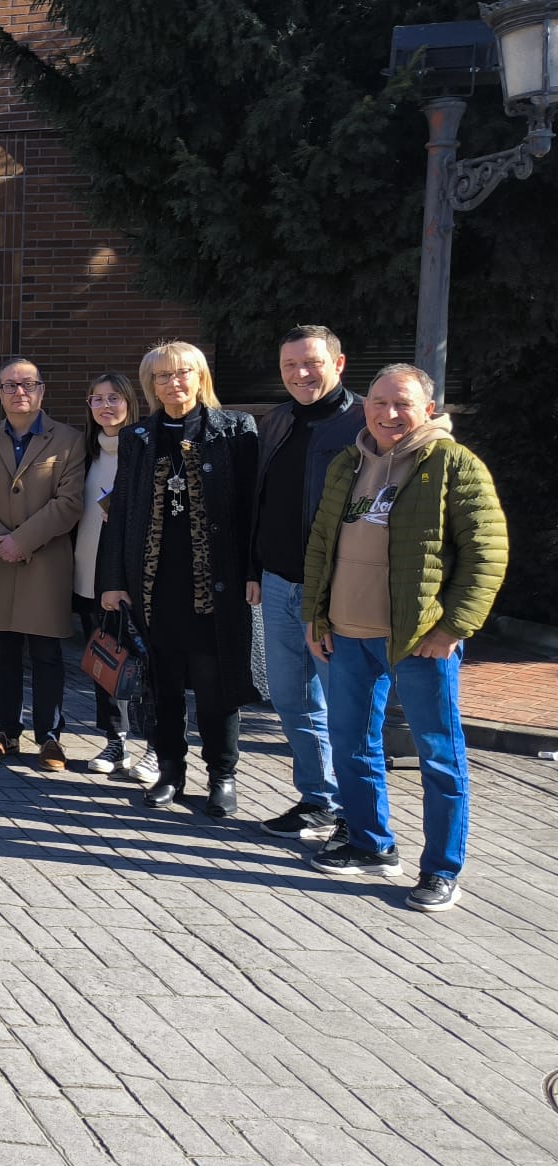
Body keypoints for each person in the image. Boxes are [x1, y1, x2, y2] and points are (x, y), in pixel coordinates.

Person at [302, 365, 507, 911]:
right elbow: (322, 545)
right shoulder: (349, 463)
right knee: (351, 745)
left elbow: (486, 555)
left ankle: (441, 869)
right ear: (364, 405)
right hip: (346, 636)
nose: (388, 414)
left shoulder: (454, 464)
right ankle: (370, 843)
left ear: (428, 408)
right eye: (378, 402)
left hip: (419, 641)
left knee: (439, 758)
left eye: (402, 404)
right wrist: (315, 617)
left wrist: (452, 629)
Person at [99, 342, 258, 817]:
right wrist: (112, 578)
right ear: (150, 385)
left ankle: (222, 776)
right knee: (161, 685)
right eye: (163, 377)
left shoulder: (235, 431)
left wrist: (253, 572)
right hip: (154, 585)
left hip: (214, 584)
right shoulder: (139, 438)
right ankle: (170, 771)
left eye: (183, 373)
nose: (174, 383)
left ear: (201, 376)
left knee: (215, 684)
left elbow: (251, 510)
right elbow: (121, 511)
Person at [251, 325, 365, 841]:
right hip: (277, 583)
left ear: (338, 365)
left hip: (334, 590)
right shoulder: (276, 422)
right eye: (289, 365)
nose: (300, 374)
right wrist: (253, 569)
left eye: (311, 363)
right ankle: (317, 798)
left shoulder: (365, 423)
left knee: (343, 704)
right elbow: (260, 502)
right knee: (290, 699)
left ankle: (355, 813)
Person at [0, 358, 86, 768]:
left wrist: (22, 540)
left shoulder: (69, 440)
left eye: (27, 384)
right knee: (3, 652)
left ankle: (49, 737)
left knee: (47, 654)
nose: (19, 392)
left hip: (43, 563)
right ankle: (6, 731)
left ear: (42, 391)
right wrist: (1, 541)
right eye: (10, 386)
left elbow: (69, 503)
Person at [73, 371, 137, 777]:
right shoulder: (86, 453)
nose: (106, 406)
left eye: (114, 397)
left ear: (130, 401)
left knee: (141, 664)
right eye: (97, 399)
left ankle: (153, 746)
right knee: (104, 661)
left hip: (130, 578)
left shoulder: (142, 450)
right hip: (87, 572)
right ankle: (115, 742)